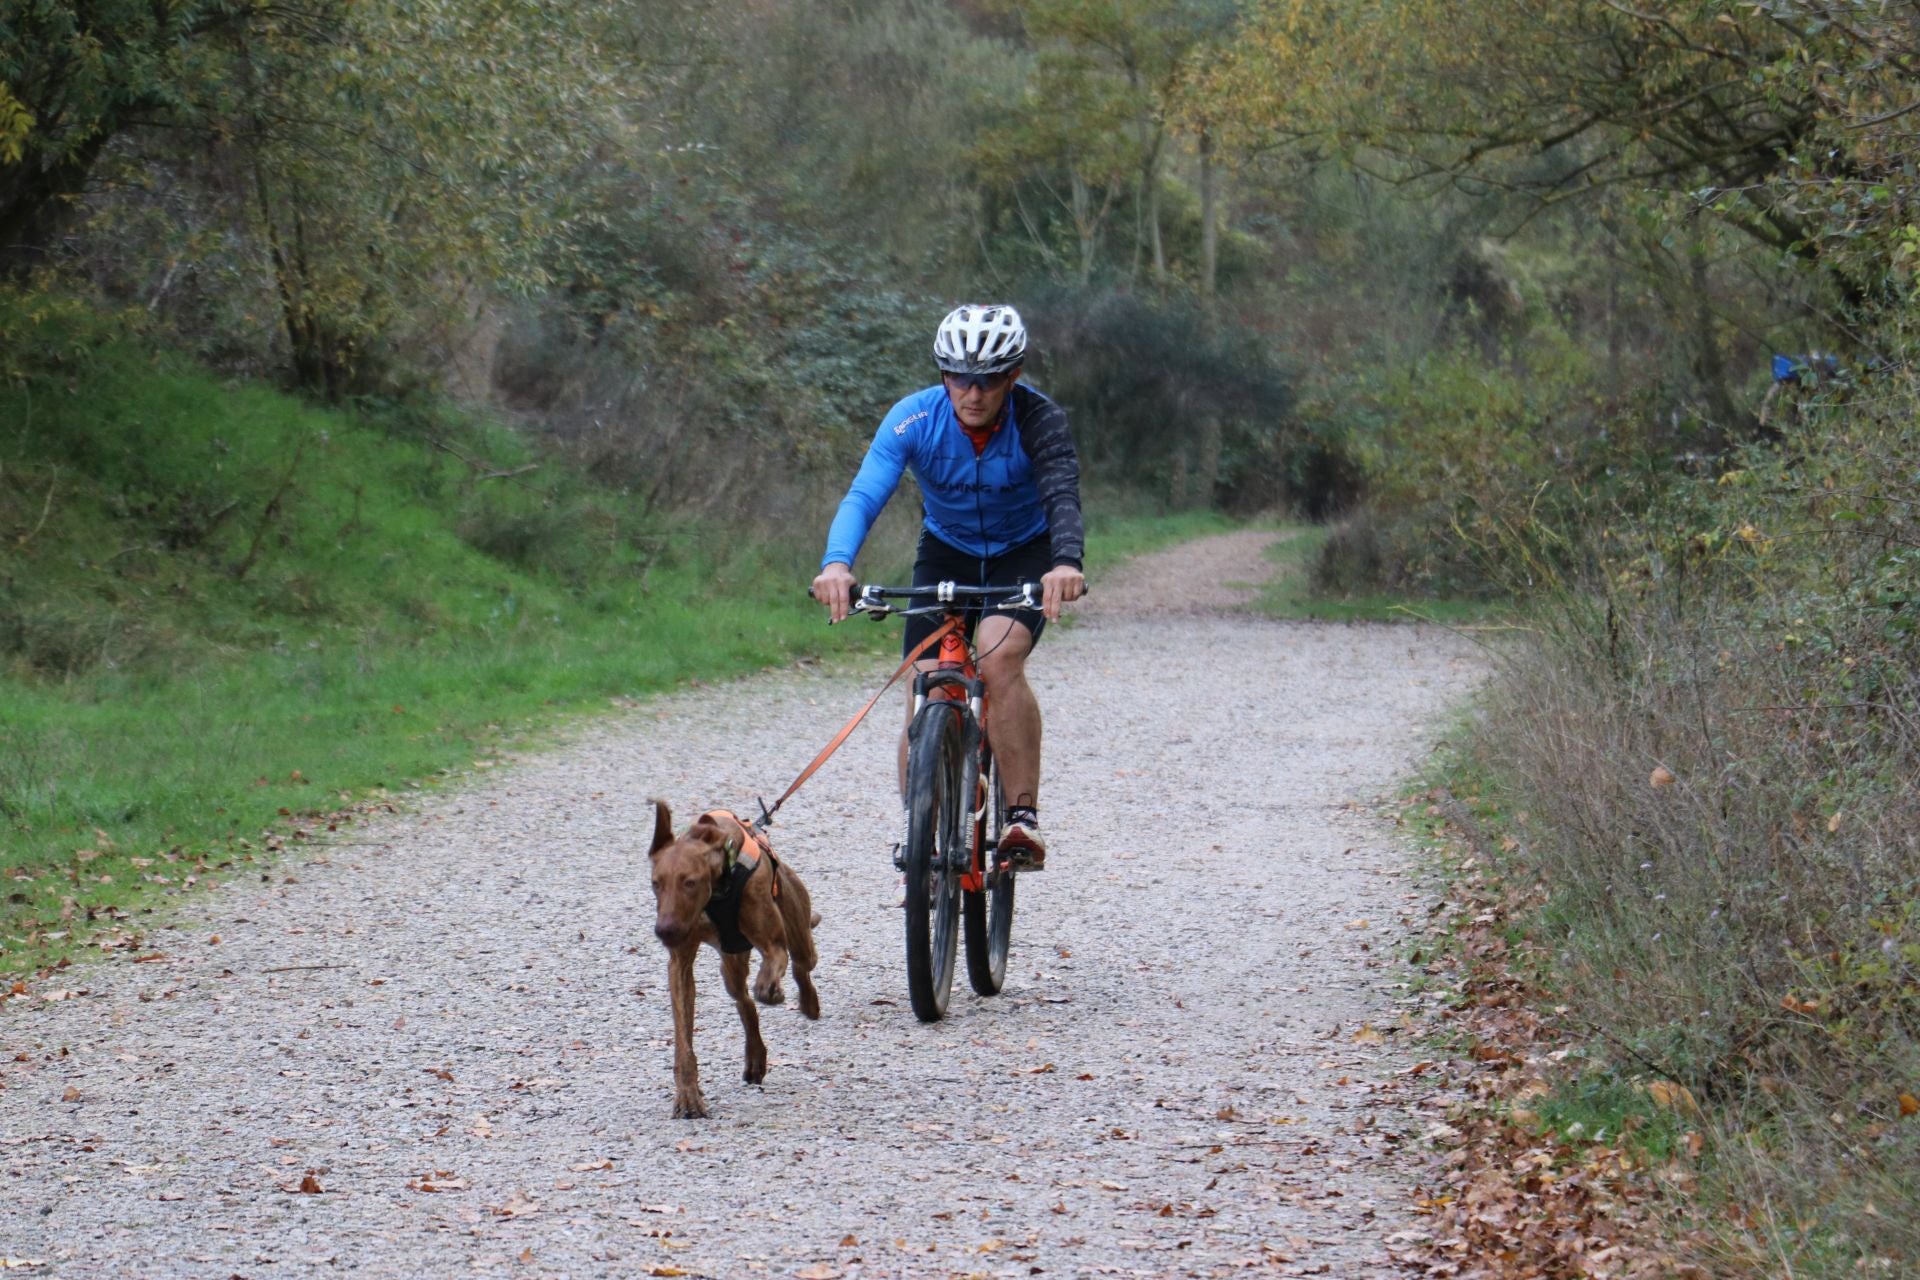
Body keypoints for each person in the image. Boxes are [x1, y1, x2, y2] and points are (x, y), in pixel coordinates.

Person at [811, 304, 1086, 870]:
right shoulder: (912, 421)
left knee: (998, 659)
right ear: (943, 375)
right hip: (947, 551)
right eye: (959, 376)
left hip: (1023, 551)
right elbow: (864, 494)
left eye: (989, 378)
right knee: (926, 680)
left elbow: (1061, 493)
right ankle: (924, 834)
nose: (974, 392)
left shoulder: (1040, 420)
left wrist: (1064, 562)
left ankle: (1022, 819)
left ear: (1013, 376)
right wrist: (837, 564)